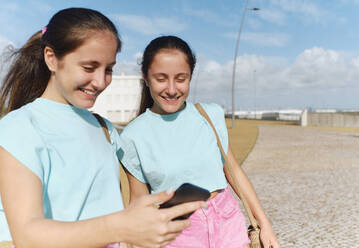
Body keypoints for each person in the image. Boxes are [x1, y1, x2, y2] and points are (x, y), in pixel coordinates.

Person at [0, 9, 205, 248]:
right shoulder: (18, 128)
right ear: (51, 58)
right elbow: (28, 236)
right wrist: (121, 226)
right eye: (89, 67)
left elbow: (110, 209)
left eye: (108, 69)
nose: (100, 82)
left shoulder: (104, 129)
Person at [120, 35, 280, 248]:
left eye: (180, 78)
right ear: (146, 77)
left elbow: (234, 173)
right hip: (177, 236)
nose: (171, 89)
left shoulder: (210, 115)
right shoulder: (133, 136)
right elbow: (140, 205)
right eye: (160, 78)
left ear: (190, 77)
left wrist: (264, 223)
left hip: (229, 226)